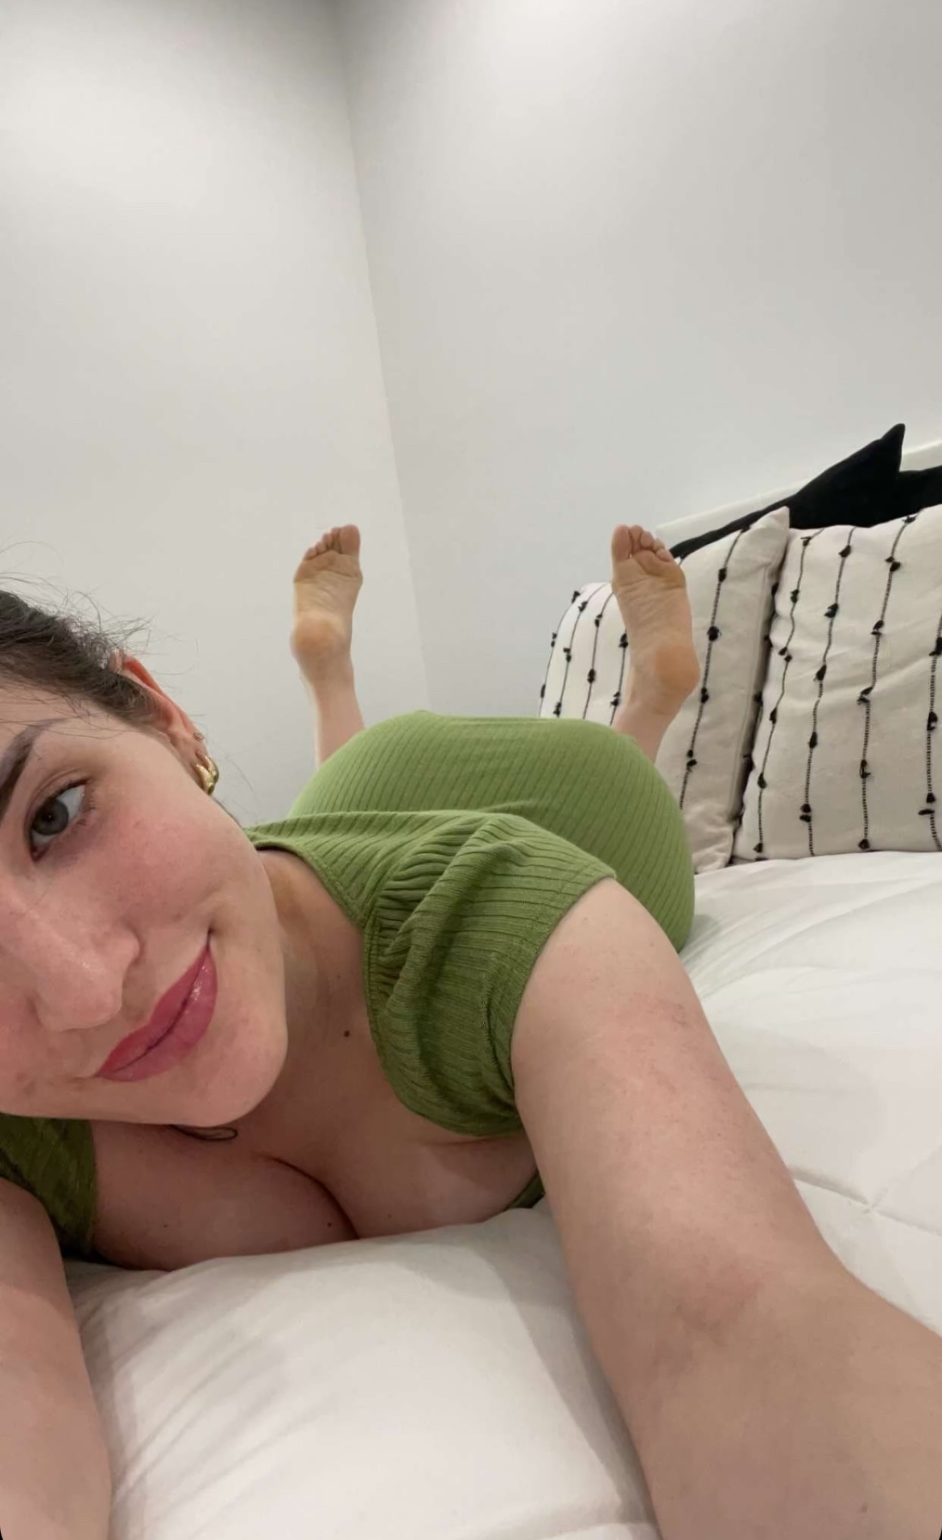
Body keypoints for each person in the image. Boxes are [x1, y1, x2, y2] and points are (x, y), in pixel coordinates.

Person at [0, 525, 939, 1540]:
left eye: (55, 814)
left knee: (580, 809)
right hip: (331, 830)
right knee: (322, 804)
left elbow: (739, 1320)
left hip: (581, 802)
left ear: (165, 716)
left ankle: (649, 702)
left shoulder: (512, 908)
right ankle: (330, 681)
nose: (88, 993)